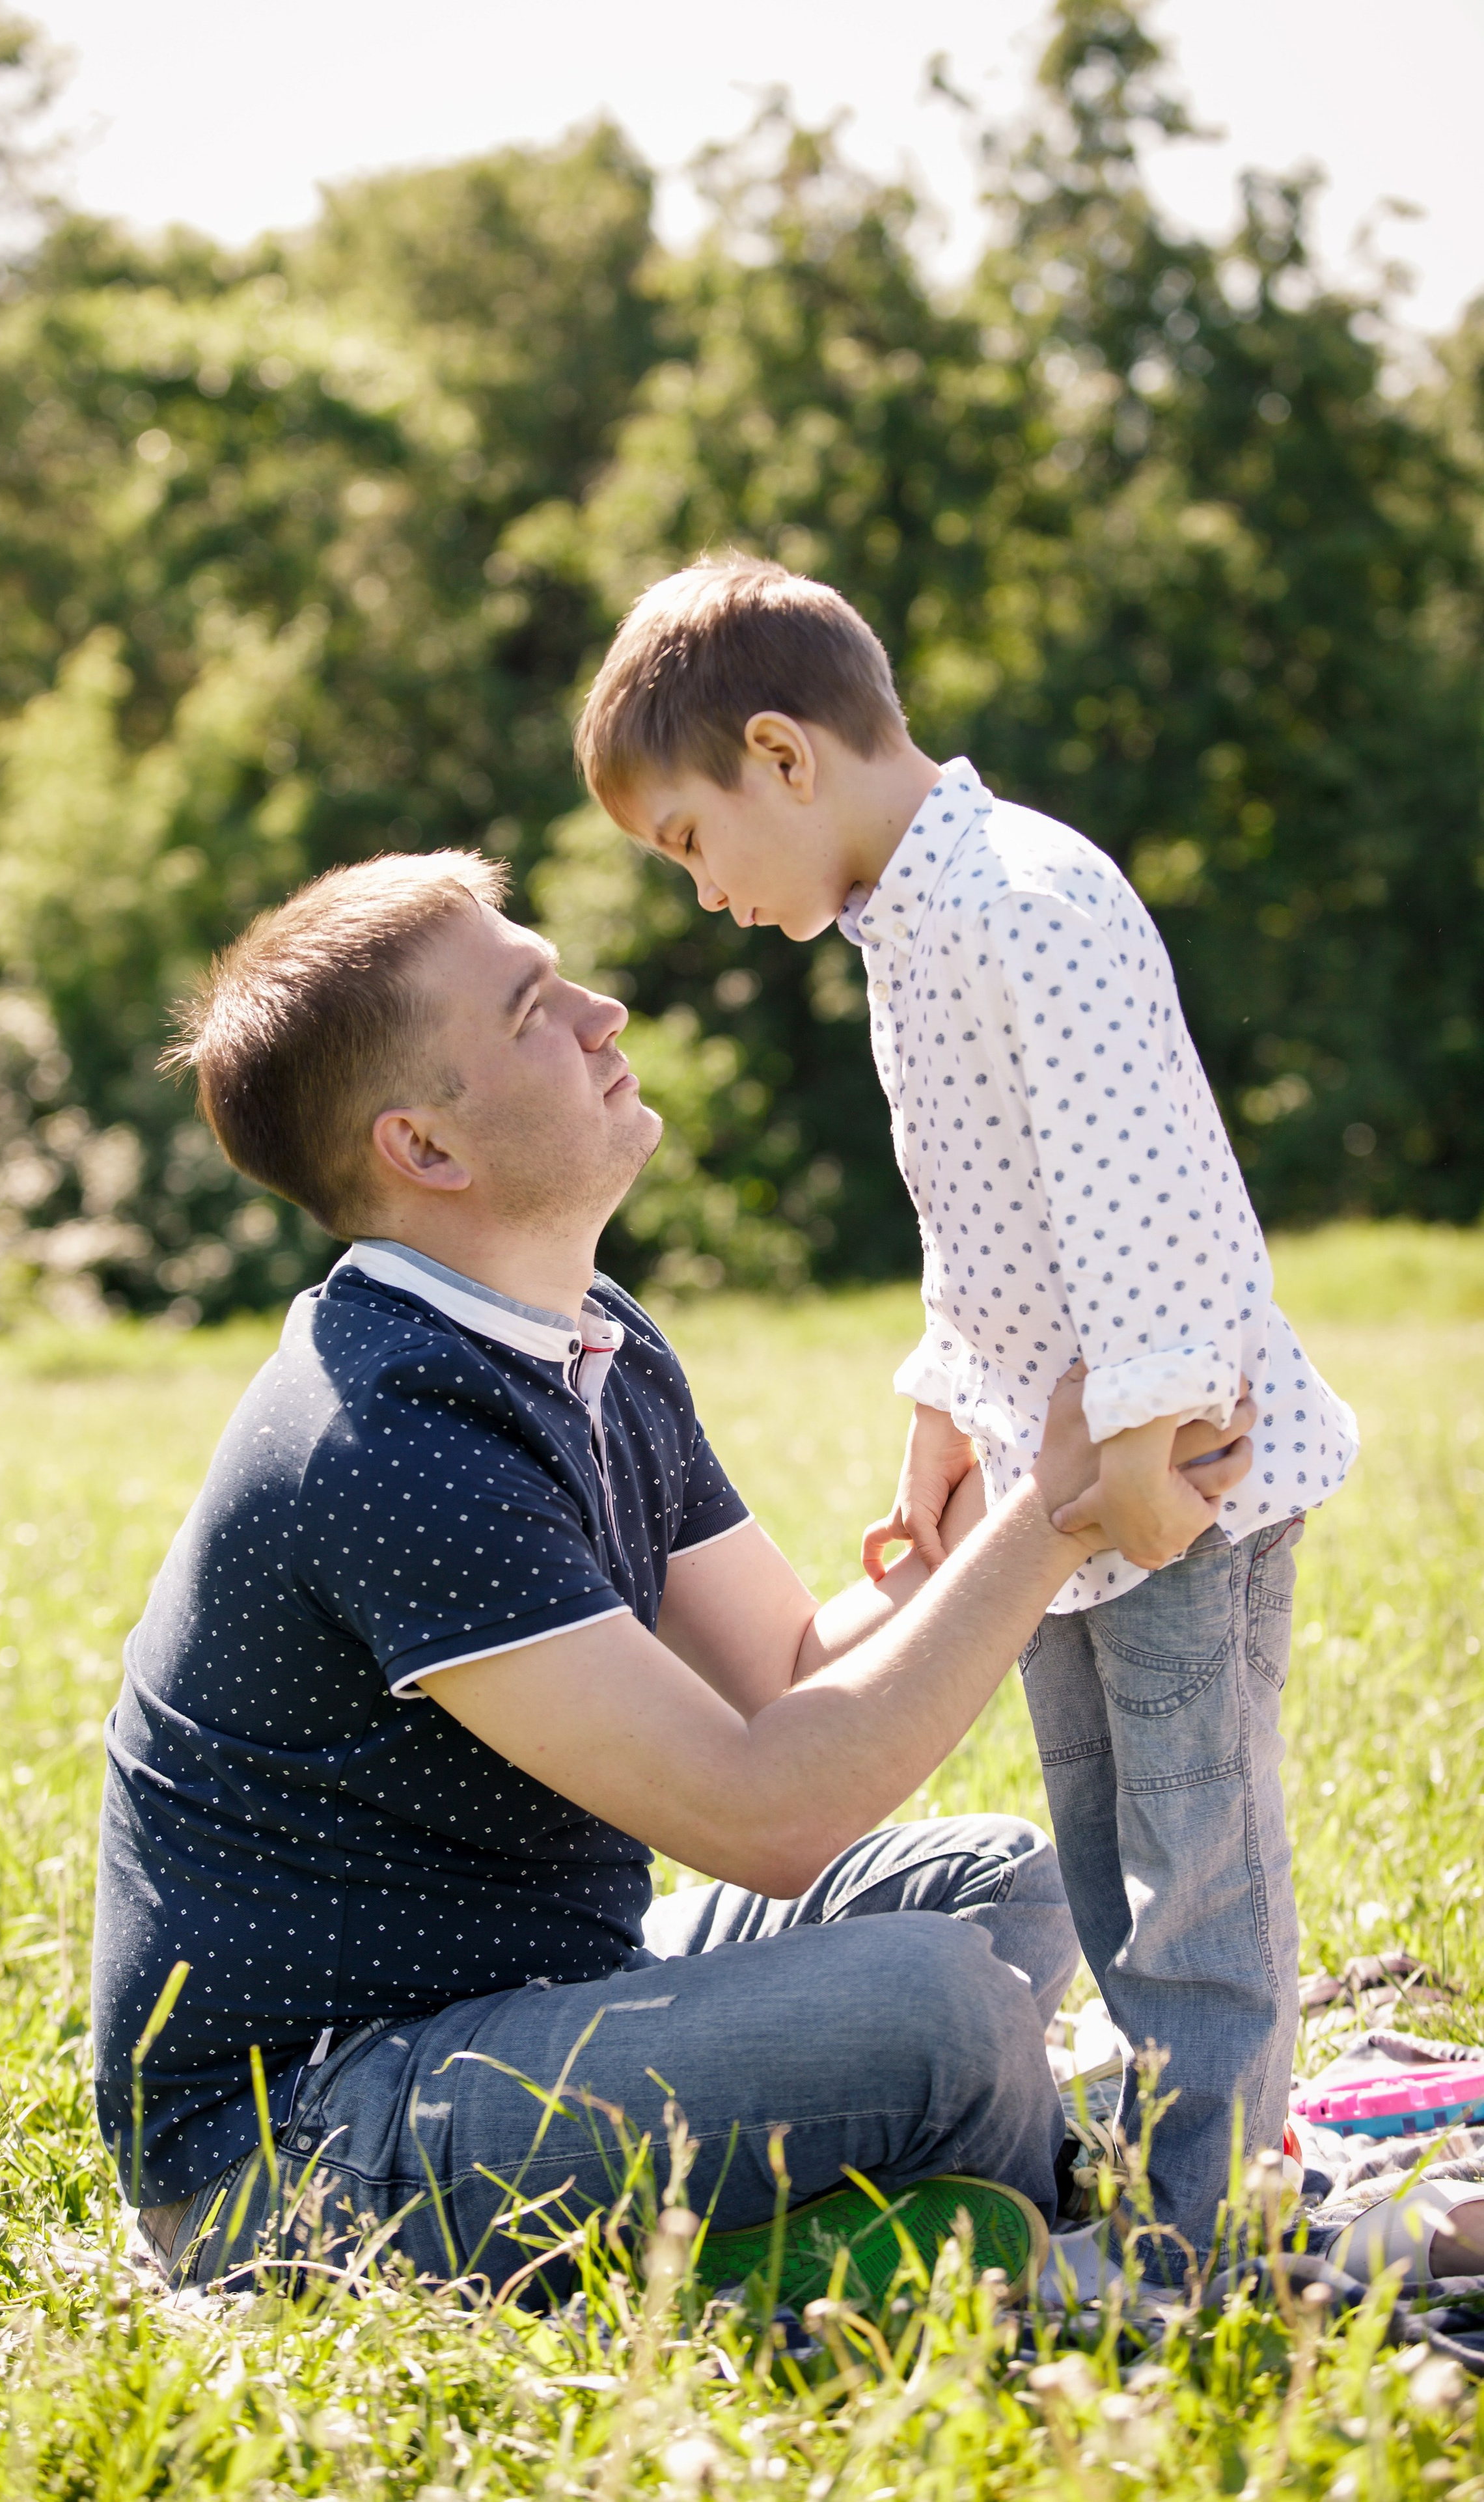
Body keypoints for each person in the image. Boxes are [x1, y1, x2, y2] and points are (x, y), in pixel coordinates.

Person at [92, 848, 1253, 2299]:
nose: (604, 1009)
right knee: (945, 2008)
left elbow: (783, 1676)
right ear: (426, 1150)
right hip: (301, 2143)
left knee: (994, 1884)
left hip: (536, 1985)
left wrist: (977, 1511)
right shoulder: (387, 1435)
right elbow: (769, 1814)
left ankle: (830, 2225)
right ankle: (1095, 2245)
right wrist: (1054, 1519)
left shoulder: (590, 1336)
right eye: (530, 1008)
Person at [576, 554, 1357, 2271]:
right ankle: (1177, 2141)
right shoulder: (907, 919)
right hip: (1061, 1469)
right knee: (1098, 1831)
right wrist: (950, 1405)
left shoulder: (1026, 898)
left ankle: (1211, 2216)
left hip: (1171, 1470)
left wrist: (1146, 1450)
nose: (701, 894)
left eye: (692, 842)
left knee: (1191, 1848)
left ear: (784, 757)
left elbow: (1138, 1177)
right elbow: (983, 1204)